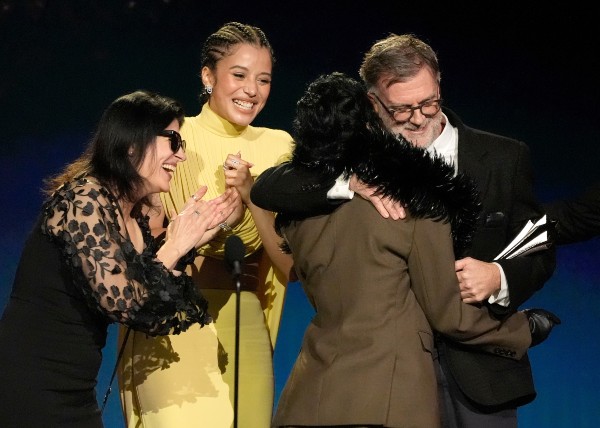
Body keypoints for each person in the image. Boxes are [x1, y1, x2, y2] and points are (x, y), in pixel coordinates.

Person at [250, 34, 556, 428]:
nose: (418, 117)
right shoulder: (351, 164)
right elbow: (268, 187)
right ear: (373, 102)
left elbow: (539, 246)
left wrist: (499, 277)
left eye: (429, 103)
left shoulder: (505, 157)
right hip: (390, 379)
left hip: (478, 376)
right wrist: (346, 181)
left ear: (440, 85)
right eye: (402, 108)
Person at [0, 89, 239, 427]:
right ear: (131, 144)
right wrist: (175, 245)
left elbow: (152, 311)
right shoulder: (84, 200)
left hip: (75, 386)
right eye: (173, 141)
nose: (181, 155)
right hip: (29, 381)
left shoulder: (134, 217)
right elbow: (125, 302)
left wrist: (190, 238)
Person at [118, 22, 294, 428]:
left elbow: (290, 256)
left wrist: (251, 197)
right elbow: (142, 237)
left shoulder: (281, 147)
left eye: (263, 79)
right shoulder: (175, 138)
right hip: (176, 308)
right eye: (239, 75)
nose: (252, 90)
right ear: (208, 76)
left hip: (245, 311)